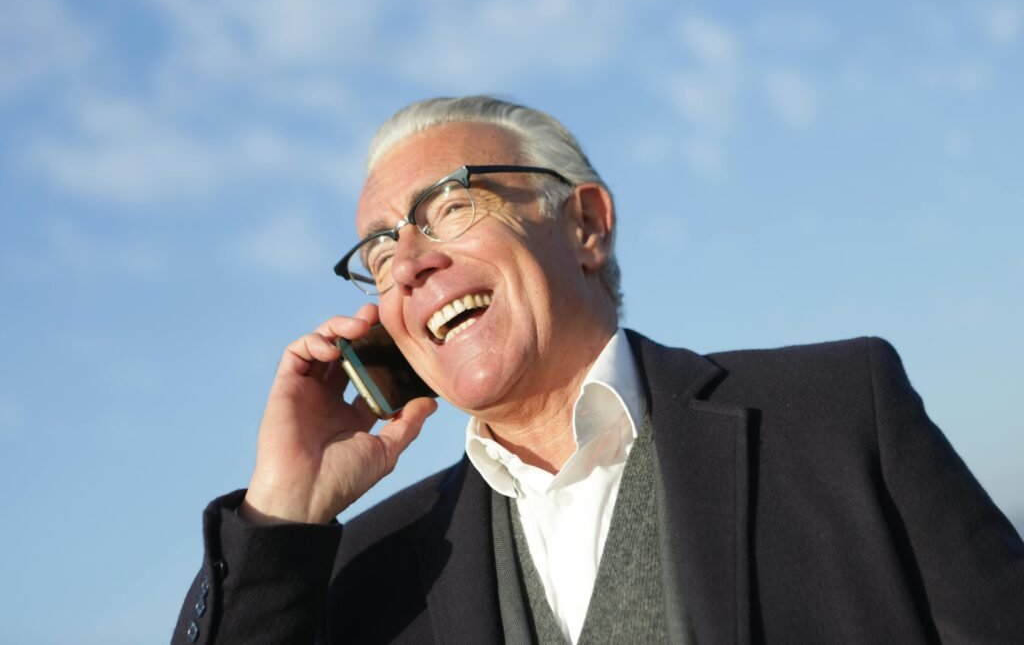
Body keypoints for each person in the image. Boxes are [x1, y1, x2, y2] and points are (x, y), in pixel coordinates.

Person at [173, 96, 1024, 644]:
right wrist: (281, 511)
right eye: (381, 245)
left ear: (585, 225)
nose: (408, 262)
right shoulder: (372, 567)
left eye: (452, 204)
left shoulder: (840, 411)